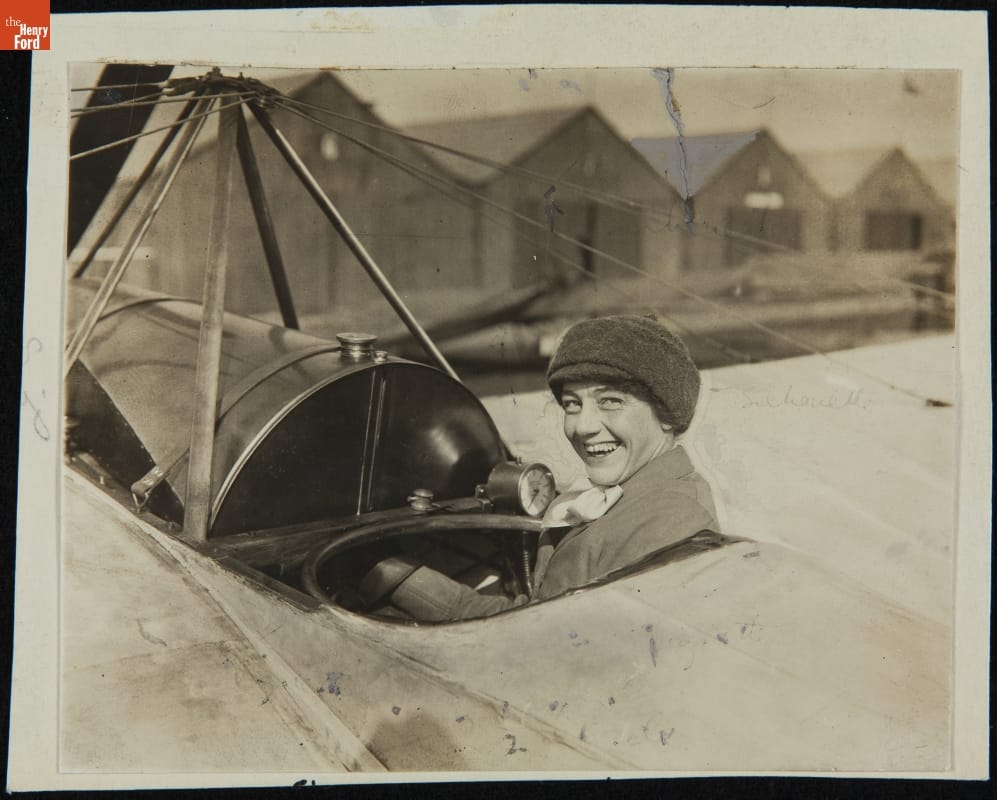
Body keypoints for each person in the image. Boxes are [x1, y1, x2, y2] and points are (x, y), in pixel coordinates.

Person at [359, 315, 722, 622]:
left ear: (668, 415)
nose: (583, 427)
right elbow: (541, 614)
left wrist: (404, 582)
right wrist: (405, 578)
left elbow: (559, 644)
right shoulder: (628, 493)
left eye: (611, 401)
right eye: (572, 404)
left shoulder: (671, 520)